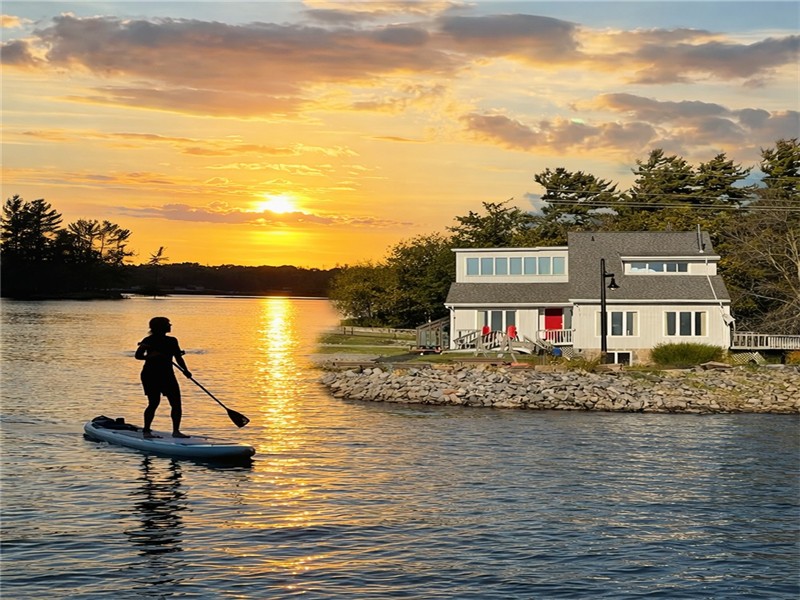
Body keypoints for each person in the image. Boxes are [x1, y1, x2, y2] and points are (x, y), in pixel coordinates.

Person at [135, 317, 192, 439]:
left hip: (168, 375)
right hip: (151, 375)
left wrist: (185, 371)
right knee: (154, 403)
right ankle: (146, 431)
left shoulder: (172, 341)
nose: (170, 325)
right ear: (160, 327)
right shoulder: (148, 340)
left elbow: (178, 357)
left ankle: (176, 431)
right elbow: (138, 356)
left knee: (176, 403)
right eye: (167, 324)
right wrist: (150, 357)